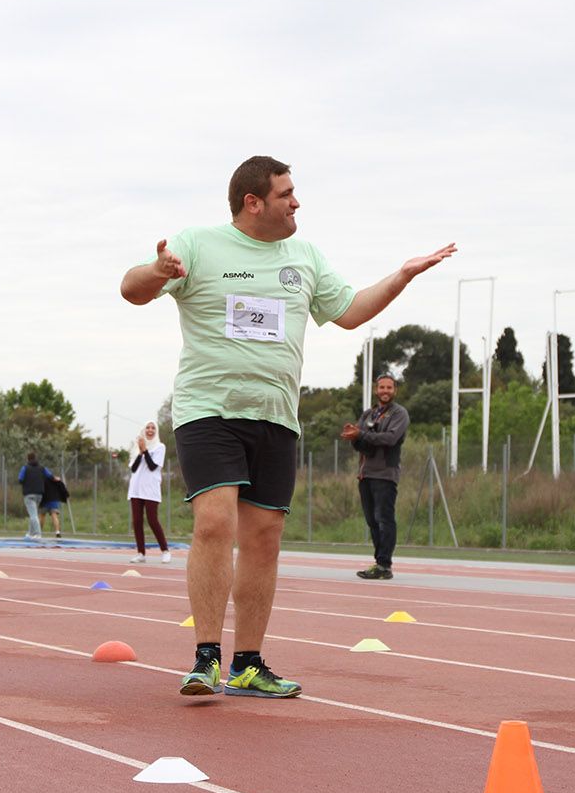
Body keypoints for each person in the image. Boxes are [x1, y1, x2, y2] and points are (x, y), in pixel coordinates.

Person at [120, 154, 455, 699]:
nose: (296, 202)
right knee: (213, 521)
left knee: (265, 538)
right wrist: (157, 272)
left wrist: (402, 276)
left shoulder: (304, 256)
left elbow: (349, 311)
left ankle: (248, 664)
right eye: (286, 194)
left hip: (277, 416)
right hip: (210, 410)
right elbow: (131, 288)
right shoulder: (200, 244)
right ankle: (206, 657)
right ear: (253, 202)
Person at [343, 372, 410, 579]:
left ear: (395, 390)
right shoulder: (368, 414)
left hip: (385, 474)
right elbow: (362, 444)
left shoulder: (399, 414)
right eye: (382, 387)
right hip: (365, 475)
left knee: (384, 518)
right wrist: (353, 436)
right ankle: (379, 562)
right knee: (372, 520)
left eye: (389, 387)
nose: (385, 391)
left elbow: (389, 439)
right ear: (376, 390)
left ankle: (384, 564)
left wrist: (361, 434)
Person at [127, 420, 171, 563]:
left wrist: (145, 451)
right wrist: (140, 452)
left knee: (152, 520)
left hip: (150, 488)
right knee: (137, 521)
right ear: (143, 430)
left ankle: (165, 550)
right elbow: (133, 469)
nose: (150, 430)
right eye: (148, 428)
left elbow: (153, 467)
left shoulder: (160, 447)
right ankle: (141, 553)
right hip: (136, 488)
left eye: (153, 428)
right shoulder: (136, 447)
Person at [17, 453, 58, 540]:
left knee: (33, 515)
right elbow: (50, 476)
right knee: (33, 514)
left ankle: (37, 534)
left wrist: (26, 483)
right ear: (36, 458)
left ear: (28, 459)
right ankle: (30, 533)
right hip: (39, 495)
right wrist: (56, 479)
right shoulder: (42, 468)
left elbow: (20, 479)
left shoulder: (25, 468)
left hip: (29, 495)